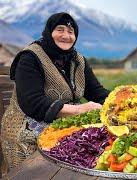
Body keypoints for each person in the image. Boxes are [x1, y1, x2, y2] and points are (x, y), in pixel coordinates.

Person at [1, 12, 110, 169]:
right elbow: (33, 103)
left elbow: (97, 93)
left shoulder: (77, 60)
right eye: (60, 30)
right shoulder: (31, 57)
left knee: (100, 142)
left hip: (64, 125)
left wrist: (122, 101)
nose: (66, 35)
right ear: (49, 32)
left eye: (71, 32)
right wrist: (80, 110)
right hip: (27, 126)